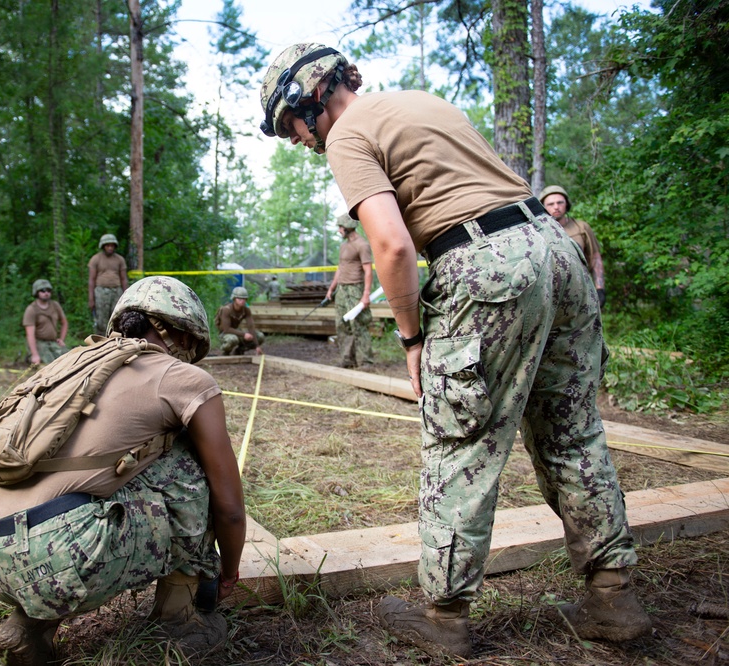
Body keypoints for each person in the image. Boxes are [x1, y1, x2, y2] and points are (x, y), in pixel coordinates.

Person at [259, 43, 650, 658]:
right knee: (573, 433)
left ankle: (444, 618)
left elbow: (390, 246)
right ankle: (614, 596)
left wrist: (412, 338)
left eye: (290, 127)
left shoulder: (345, 136)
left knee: (459, 442)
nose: (297, 141)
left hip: (485, 269)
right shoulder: (421, 101)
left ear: (306, 100)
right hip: (553, 251)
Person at [0, 276, 246, 665]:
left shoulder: (72, 364)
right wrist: (229, 571)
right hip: (62, 557)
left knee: (90, 480)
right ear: (183, 335)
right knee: (188, 463)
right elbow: (230, 506)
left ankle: (29, 624)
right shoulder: (183, 377)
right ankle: (179, 621)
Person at [539, 185, 607, 308]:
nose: (556, 207)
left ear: (567, 204)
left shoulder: (581, 228)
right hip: (548, 296)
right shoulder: (537, 232)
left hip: (581, 293)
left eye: (560, 202)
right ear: (543, 207)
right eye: (551, 204)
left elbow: (595, 257)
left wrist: (600, 288)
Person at [325, 213, 374, 368]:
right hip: (342, 289)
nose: (339, 230)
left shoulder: (362, 245)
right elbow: (340, 268)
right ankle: (347, 359)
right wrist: (332, 288)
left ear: (347, 227)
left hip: (356, 289)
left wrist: (365, 295)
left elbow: (368, 271)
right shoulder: (344, 245)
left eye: (340, 227)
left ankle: (365, 361)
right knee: (341, 324)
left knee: (359, 324)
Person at [88, 233, 128, 336]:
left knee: (117, 317)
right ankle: (101, 340)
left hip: (116, 291)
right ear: (103, 246)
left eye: (112, 245)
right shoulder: (96, 259)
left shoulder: (120, 259)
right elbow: (91, 279)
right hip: (101, 291)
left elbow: (123, 278)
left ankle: (116, 339)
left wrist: (126, 295)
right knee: (101, 319)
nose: (110, 248)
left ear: (115, 246)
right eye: (107, 245)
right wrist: (91, 298)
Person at [23, 279, 68, 365]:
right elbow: (30, 334)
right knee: (50, 363)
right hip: (39, 342)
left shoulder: (55, 305)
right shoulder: (31, 309)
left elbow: (64, 322)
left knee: (68, 358)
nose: (46, 293)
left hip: (53, 342)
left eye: (48, 290)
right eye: (42, 291)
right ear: (36, 292)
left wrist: (61, 339)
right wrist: (35, 354)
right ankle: (31, 356)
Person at [216, 286, 264, 356]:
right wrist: (244, 334)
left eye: (244, 298)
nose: (242, 300)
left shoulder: (246, 310)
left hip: (237, 332)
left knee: (260, 336)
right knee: (233, 339)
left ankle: (240, 350)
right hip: (225, 334)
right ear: (234, 299)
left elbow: (251, 327)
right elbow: (226, 329)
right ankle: (226, 352)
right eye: (239, 298)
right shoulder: (226, 309)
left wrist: (257, 346)